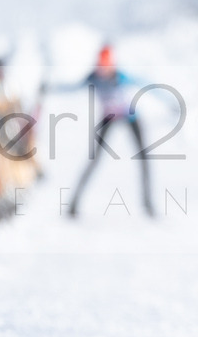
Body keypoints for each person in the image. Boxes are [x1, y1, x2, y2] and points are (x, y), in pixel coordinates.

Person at [59, 45, 154, 217]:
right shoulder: (93, 78)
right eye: (101, 66)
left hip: (130, 117)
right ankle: (73, 204)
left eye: (107, 65)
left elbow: (145, 83)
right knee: (94, 158)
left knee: (143, 158)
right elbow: (72, 88)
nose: (103, 70)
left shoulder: (121, 77)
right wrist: (51, 88)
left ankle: (148, 204)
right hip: (108, 118)